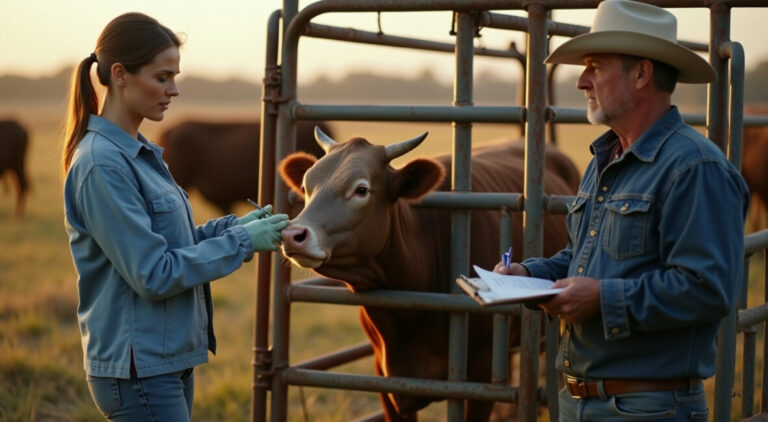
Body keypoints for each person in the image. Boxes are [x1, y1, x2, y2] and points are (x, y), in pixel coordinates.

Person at [493, 0, 750, 420]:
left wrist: (603, 299)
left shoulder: (695, 168)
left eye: (594, 65)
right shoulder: (607, 160)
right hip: (580, 402)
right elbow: (584, 258)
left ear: (641, 74)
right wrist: (529, 276)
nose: (581, 81)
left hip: (648, 408)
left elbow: (707, 289)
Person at [61, 13, 288, 421]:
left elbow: (171, 243)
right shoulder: (103, 165)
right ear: (120, 75)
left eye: (175, 76)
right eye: (163, 77)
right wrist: (240, 243)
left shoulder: (141, 152)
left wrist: (236, 226)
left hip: (164, 360)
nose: (174, 89)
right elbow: (154, 272)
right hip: (138, 371)